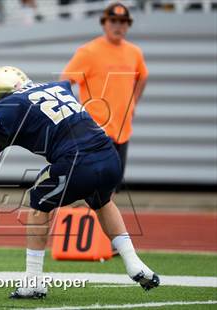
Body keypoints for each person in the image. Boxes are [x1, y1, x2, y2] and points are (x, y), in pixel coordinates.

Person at [0, 66, 160, 298]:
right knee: (102, 202)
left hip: (76, 161)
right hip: (109, 156)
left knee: (38, 202)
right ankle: (134, 263)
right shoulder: (53, 87)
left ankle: (33, 281)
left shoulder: (10, 107)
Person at [61, 2, 148, 191]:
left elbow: (143, 77)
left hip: (122, 131)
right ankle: (86, 219)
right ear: (104, 23)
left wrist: (133, 103)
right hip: (96, 131)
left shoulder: (134, 53)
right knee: (90, 184)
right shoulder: (89, 52)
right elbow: (64, 82)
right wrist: (78, 114)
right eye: (114, 21)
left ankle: (100, 221)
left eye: (123, 22)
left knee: (111, 187)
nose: (118, 26)